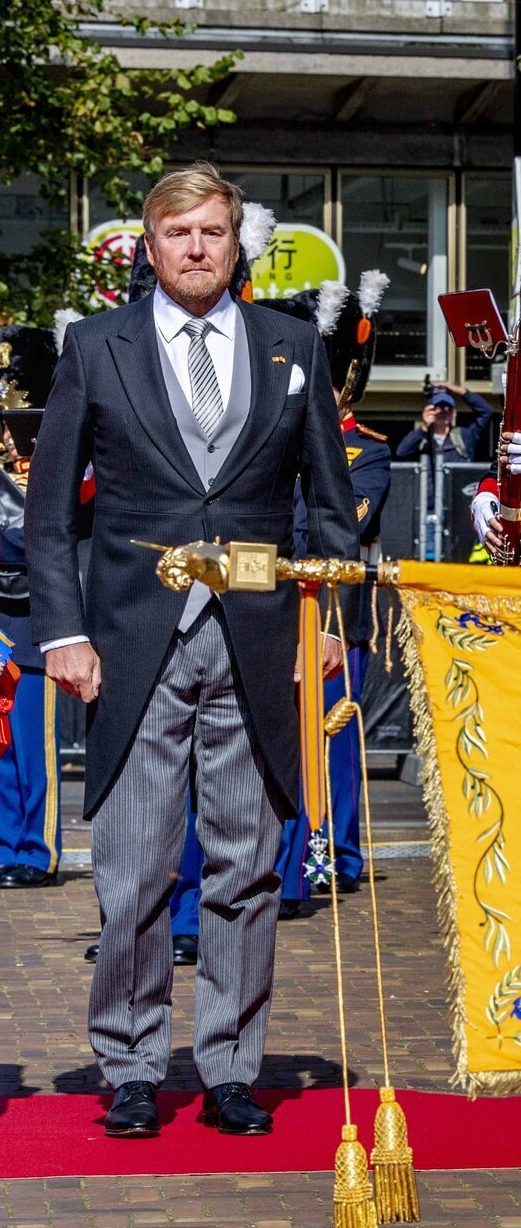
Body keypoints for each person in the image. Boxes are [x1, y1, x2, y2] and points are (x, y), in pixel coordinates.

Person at [26, 162, 358, 1140]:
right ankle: (128, 1063)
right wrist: (63, 631)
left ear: (234, 241)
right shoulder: (94, 348)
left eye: (213, 231)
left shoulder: (291, 347)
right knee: (131, 869)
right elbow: (48, 517)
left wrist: (328, 620)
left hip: (257, 638)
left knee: (245, 865)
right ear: (150, 245)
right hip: (132, 638)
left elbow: (330, 512)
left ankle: (227, 1065)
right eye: (178, 234)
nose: (197, 248)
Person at [268, 274, 392, 917]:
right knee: (284, 747)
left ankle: (333, 855)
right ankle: (293, 861)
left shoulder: (364, 449)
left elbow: (344, 520)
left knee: (332, 744)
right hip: (275, 610)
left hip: (334, 617)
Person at [0, 326, 62, 889]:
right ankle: (4, 843)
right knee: (1, 743)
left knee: (36, 749)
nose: (11, 433)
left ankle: (37, 850)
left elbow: (51, 534)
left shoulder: (68, 461)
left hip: (42, 616)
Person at [396, 383, 493, 559]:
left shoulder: (463, 437)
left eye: (447, 408)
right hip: (430, 512)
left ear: (454, 413)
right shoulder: (423, 438)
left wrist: (457, 390)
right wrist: (424, 427)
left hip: (458, 512)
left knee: (458, 559)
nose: (442, 411)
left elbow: (486, 411)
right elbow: (401, 452)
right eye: (437, 407)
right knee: (430, 559)